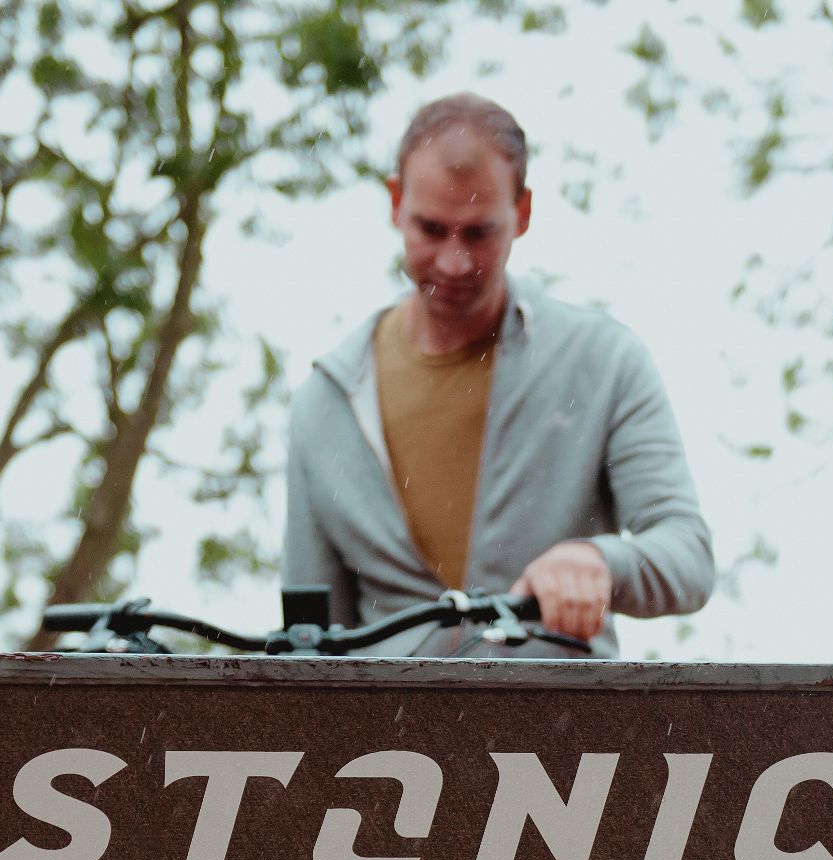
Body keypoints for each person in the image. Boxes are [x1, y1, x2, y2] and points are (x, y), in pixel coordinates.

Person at [283, 93, 715, 656]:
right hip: (388, 741)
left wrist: (600, 562)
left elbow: (688, 556)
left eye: (479, 233)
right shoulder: (326, 402)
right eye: (432, 229)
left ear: (524, 213)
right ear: (395, 202)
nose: (454, 262)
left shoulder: (603, 362)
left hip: (561, 734)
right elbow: (311, 643)